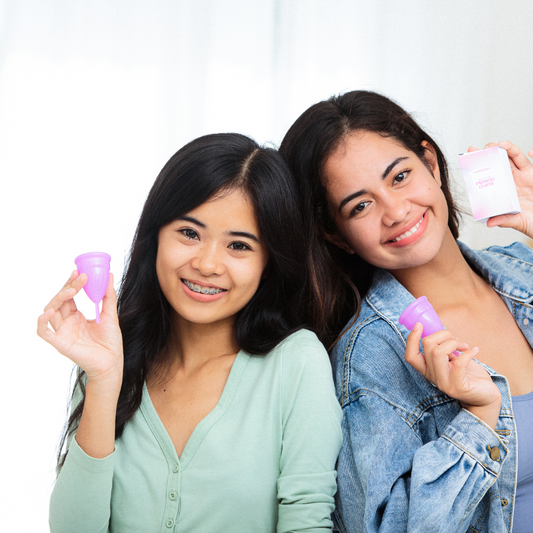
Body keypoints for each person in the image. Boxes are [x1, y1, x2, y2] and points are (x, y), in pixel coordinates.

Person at [38, 133, 342, 533]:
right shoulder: (110, 360)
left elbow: (307, 520)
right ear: (156, 236)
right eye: (190, 233)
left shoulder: (296, 362)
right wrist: (103, 379)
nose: (208, 264)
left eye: (239, 246)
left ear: (269, 262)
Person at [280, 91, 533, 533]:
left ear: (431, 164)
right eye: (360, 205)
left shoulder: (523, 271)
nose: (396, 211)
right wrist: (478, 418)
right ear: (336, 235)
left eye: (399, 177)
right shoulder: (370, 357)